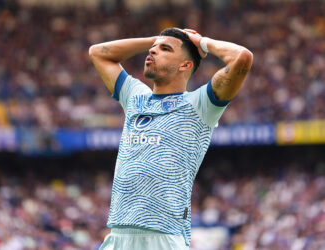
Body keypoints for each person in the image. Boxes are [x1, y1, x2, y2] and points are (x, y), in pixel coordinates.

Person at [89, 27, 253, 250]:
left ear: (185, 65)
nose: (153, 51)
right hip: (118, 235)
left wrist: (201, 42)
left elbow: (242, 58)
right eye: (152, 49)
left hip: (163, 237)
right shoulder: (135, 96)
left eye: (164, 49)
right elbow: (98, 53)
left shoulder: (200, 105)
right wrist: (156, 39)